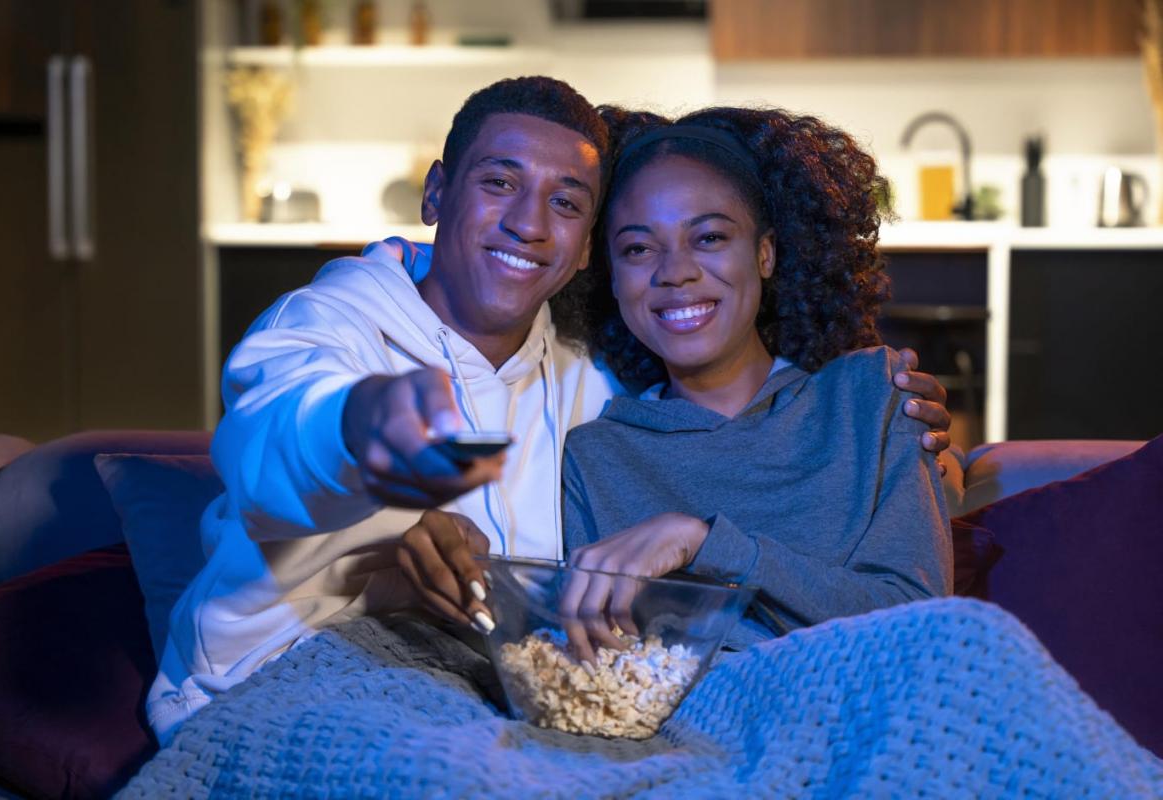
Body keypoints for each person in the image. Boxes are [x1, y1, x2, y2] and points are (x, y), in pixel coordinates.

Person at [147, 76, 952, 744]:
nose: (529, 224)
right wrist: (375, 454)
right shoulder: (325, 330)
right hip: (276, 679)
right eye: (499, 183)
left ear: (584, 245)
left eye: (566, 203)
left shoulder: (588, 382)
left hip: (462, 697)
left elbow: (735, 421)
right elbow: (276, 440)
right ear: (436, 192)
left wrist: (922, 453)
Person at [555, 106, 952, 663]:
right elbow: (603, 657)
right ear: (612, 277)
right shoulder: (596, 457)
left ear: (765, 254)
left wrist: (704, 542)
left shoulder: (871, 396)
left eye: (709, 237)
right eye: (638, 248)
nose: (676, 271)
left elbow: (923, 623)